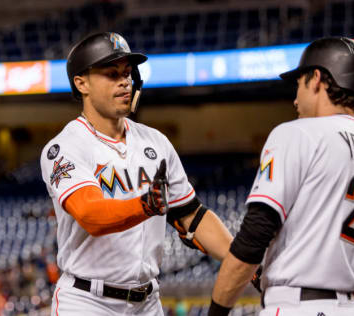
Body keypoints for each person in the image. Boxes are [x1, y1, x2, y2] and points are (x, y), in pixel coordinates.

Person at [40, 32, 233, 316]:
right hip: (87, 302)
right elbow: (90, 214)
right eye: (111, 73)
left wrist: (243, 259)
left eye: (128, 73)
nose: (124, 82)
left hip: (148, 301)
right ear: (81, 83)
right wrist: (145, 205)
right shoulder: (64, 147)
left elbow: (191, 214)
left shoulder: (155, 142)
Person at [208, 37, 354, 316]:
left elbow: (254, 236)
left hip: (303, 305)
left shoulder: (298, 133)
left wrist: (217, 312)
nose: (295, 98)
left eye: (299, 83)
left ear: (317, 78)